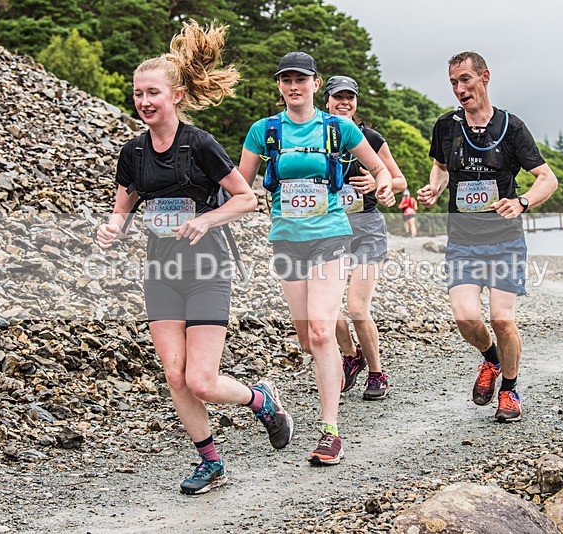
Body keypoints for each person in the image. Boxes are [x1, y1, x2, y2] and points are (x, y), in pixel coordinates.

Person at [96, 21, 294, 495]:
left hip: (207, 268)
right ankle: (211, 462)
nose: (144, 102)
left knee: (202, 380)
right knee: (175, 376)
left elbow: (247, 199)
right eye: (138, 94)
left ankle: (261, 399)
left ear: (177, 95)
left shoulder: (199, 144)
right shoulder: (133, 152)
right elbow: (122, 209)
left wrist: (206, 220)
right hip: (161, 272)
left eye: (153, 93)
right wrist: (111, 228)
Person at [238, 53, 396, 465]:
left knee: (324, 333)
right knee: (308, 339)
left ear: (314, 83)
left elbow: (381, 170)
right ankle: (283, 396)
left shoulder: (337, 128)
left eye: (301, 79)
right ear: (279, 86)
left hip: (330, 236)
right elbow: (238, 185)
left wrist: (381, 185)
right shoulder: (264, 131)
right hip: (287, 242)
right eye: (286, 80)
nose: (293, 86)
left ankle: (330, 432)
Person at [417, 51, 558, 423]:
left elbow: (548, 178)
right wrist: (433, 188)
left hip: (504, 240)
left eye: (465, 80)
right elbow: (440, 167)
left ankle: (510, 389)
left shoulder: (511, 127)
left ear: (484, 77)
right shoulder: (446, 126)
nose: (459, 89)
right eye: (453, 83)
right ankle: (492, 362)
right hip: (463, 240)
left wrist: (522, 201)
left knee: (502, 319)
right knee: (465, 319)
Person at [321, 75, 407, 401]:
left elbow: (397, 181)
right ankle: (350, 353)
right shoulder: (316, 136)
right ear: (326, 100)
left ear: (356, 101)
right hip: (328, 230)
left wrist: (378, 183)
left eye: (350, 98)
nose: (344, 103)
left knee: (357, 306)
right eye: (338, 97)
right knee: (325, 308)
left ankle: (376, 372)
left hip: (367, 229)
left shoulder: (369, 137)